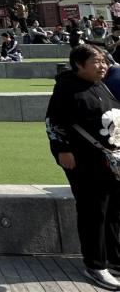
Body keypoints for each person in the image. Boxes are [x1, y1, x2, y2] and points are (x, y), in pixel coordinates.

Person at [46, 45, 120, 290]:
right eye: (96, 61)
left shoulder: (99, 85)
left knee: (113, 210)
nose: (103, 66)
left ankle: (114, 259)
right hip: (84, 160)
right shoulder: (67, 89)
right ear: (79, 65)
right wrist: (63, 150)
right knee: (93, 211)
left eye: (104, 61)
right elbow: (53, 122)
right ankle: (95, 265)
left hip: (109, 159)